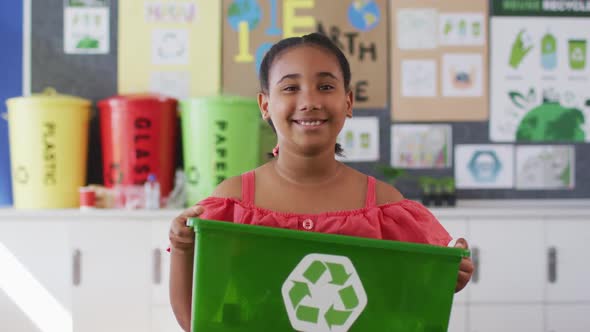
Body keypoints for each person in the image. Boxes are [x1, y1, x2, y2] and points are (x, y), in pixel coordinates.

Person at [169, 32, 474, 331]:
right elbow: (196, 320)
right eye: (290, 88)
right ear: (265, 105)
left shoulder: (385, 206)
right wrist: (182, 247)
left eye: (326, 86)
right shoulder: (233, 202)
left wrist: (449, 275)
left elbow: (411, 310)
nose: (310, 101)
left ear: (348, 101)